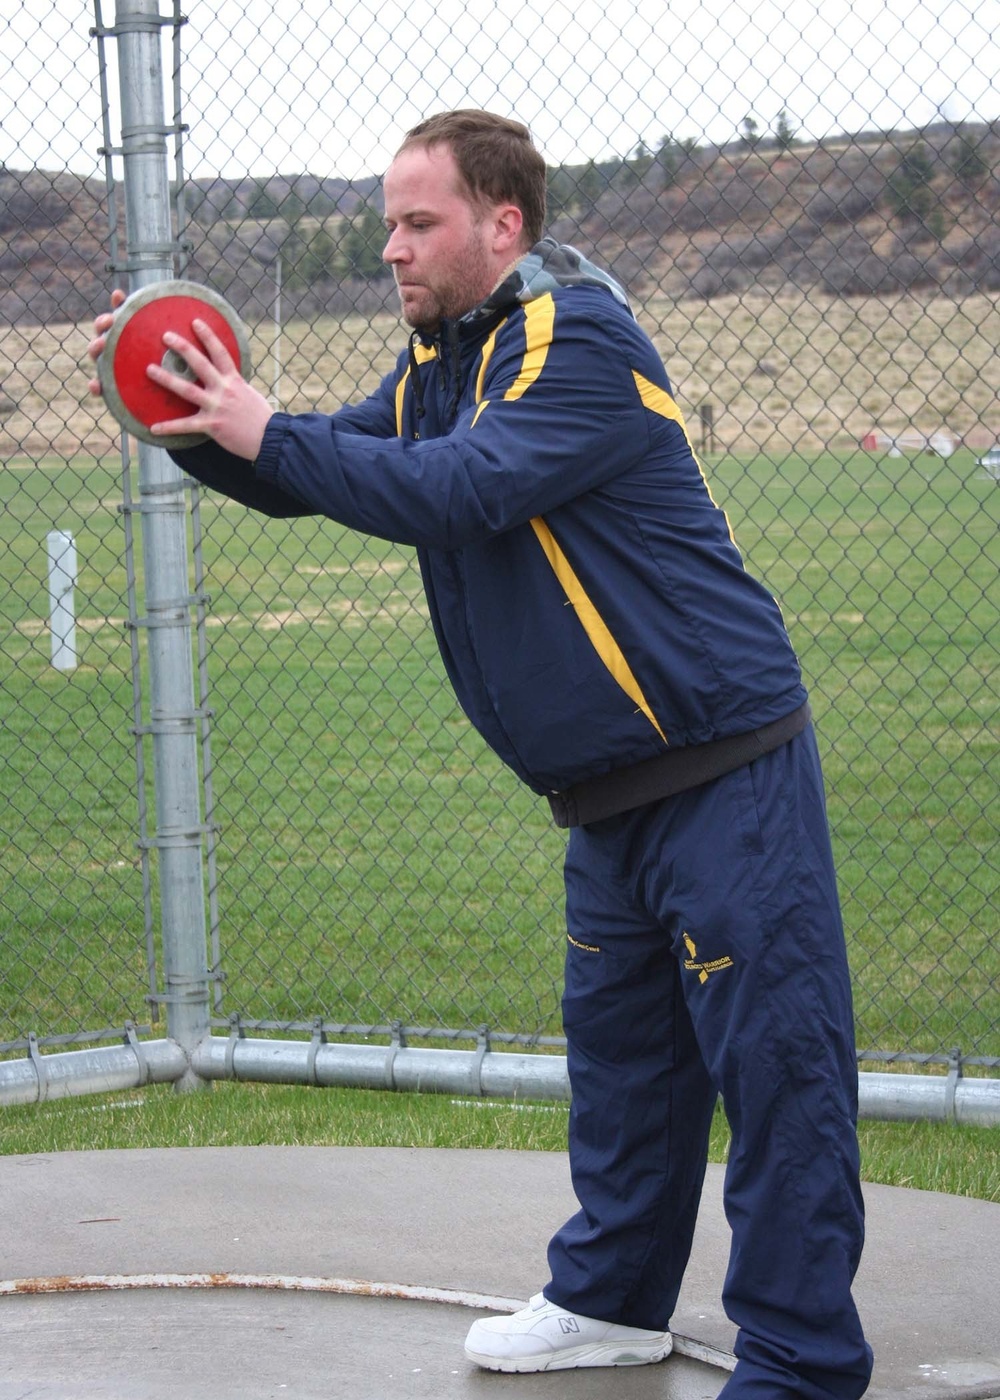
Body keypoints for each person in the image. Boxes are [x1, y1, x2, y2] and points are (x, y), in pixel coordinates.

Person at [89, 109, 873, 1397]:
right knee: (624, 1066)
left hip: (724, 766)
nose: (391, 247)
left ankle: (800, 1360)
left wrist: (261, 426)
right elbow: (319, 466)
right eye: (386, 222)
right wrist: (179, 402)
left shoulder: (573, 338)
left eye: (417, 222)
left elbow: (459, 492)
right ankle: (613, 1302)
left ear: (502, 225)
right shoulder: (438, 362)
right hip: (608, 793)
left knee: (776, 1073)